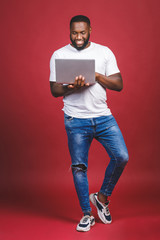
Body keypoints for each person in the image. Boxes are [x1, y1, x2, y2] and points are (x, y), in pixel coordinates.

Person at [49, 15, 129, 232]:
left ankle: (102, 197)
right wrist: (71, 88)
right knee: (79, 168)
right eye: (74, 33)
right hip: (75, 120)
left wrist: (94, 75)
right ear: (69, 31)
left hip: (103, 117)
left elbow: (118, 84)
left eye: (82, 33)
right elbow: (54, 90)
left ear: (90, 30)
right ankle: (87, 214)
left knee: (121, 156)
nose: (78, 37)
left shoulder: (104, 52)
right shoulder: (59, 54)